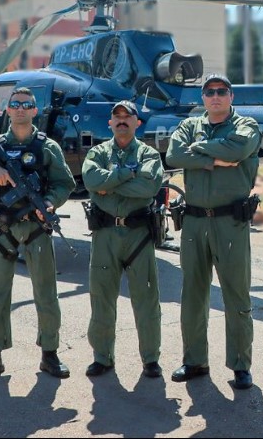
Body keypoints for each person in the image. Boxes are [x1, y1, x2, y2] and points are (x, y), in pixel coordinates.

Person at [166, 73, 261, 389]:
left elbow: (239, 150)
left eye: (222, 91)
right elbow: (174, 155)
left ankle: (240, 365)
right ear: (202, 98)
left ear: (231, 96)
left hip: (229, 222)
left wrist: (200, 150)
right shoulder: (188, 126)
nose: (216, 96)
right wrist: (214, 160)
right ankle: (194, 361)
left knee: (236, 294)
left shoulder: (246, 126)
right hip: (193, 221)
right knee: (192, 294)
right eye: (209, 92)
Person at [0, 87, 75, 378]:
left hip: (36, 226)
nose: (19, 109)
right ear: (8, 109)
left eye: (25, 105)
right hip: (1, 228)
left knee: (46, 292)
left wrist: (50, 203)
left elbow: (65, 183)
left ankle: (49, 354)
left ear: (34, 111)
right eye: (14, 104)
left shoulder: (47, 147)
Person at [82, 100, 164, 378]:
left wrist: (111, 184)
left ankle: (151, 359)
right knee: (101, 298)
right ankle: (102, 357)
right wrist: (128, 174)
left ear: (137, 122)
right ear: (109, 123)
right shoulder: (97, 152)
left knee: (146, 298)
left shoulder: (149, 154)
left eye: (127, 116)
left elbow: (149, 187)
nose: (121, 120)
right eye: (116, 117)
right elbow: (92, 181)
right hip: (105, 235)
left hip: (138, 235)